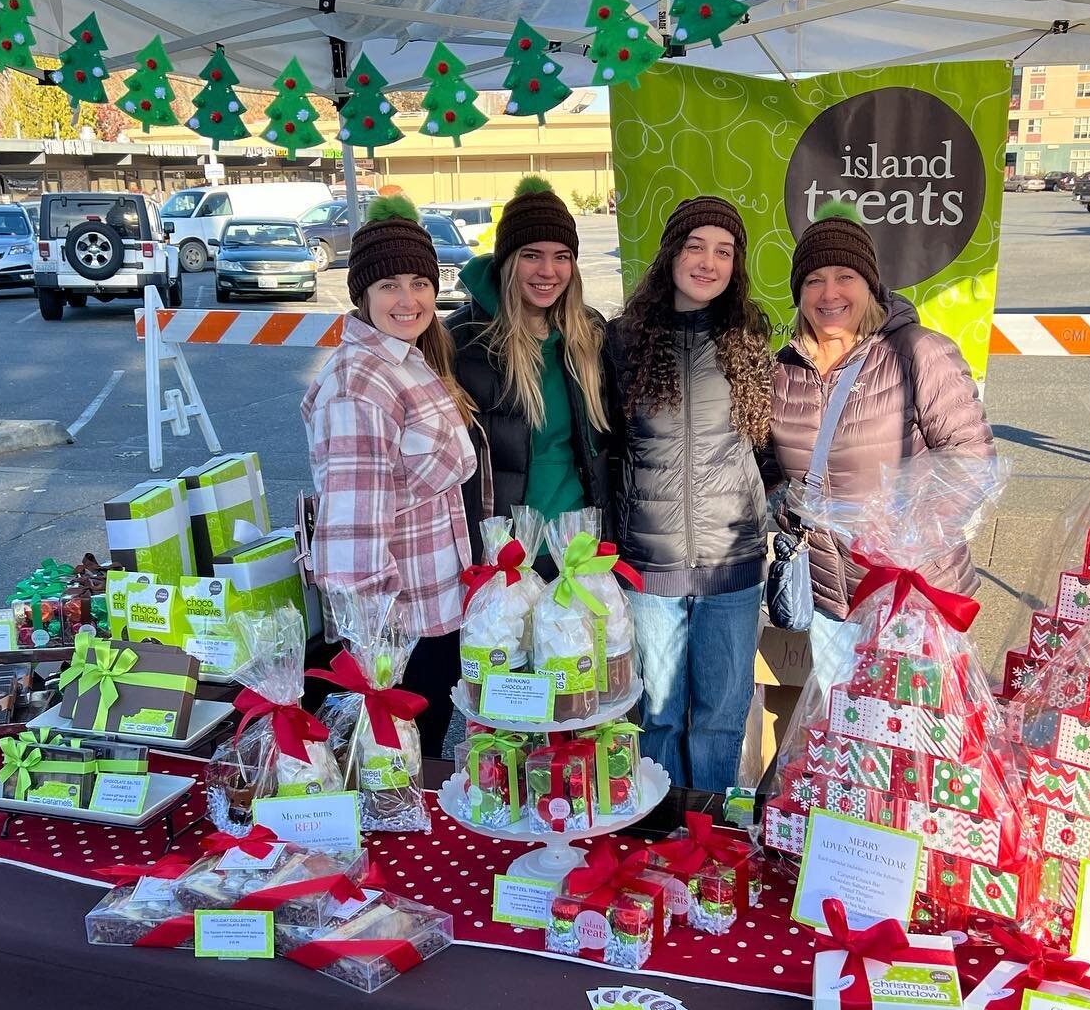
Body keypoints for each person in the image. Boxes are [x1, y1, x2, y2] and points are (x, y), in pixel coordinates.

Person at [770, 202, 994, 697]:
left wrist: (905, 540)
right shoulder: (784, 371)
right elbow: (771, 469)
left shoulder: (917, 351)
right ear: (798, 293)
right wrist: (784, 505)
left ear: (870, 286)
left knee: (917, 750)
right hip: (833, 601)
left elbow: (971, 457)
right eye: (813, 280)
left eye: (844, 276)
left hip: (910, 595)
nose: (829, 293)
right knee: (846, 740)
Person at [606, 196, 774, 792]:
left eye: (724, 252)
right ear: (671, 254)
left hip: (731, 563)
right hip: (650, 565)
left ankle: (710, 844)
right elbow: (610, 444)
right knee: (656, 716)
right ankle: (661, 834)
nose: (708, 262)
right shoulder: (624, 340)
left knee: (719, 719)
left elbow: (767, 446)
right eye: (696, 246)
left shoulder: (747, 336)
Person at [301, 194, 476, 755]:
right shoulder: (361, 386)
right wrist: (379, 656)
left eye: (420, 283)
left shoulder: (403, 357)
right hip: (401, 633)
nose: (409, 299)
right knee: (394, 774)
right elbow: (352, 537)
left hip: (435, 610)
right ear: (363, 295)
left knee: (414, 764)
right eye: (389, 286)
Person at [447, 176, 611, 556]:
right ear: (507, 261)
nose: (548, 271)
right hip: (503, 555)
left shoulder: (590, 334)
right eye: (531, 255)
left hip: (578, 549)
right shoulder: (462, 341)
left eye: (562, 256)